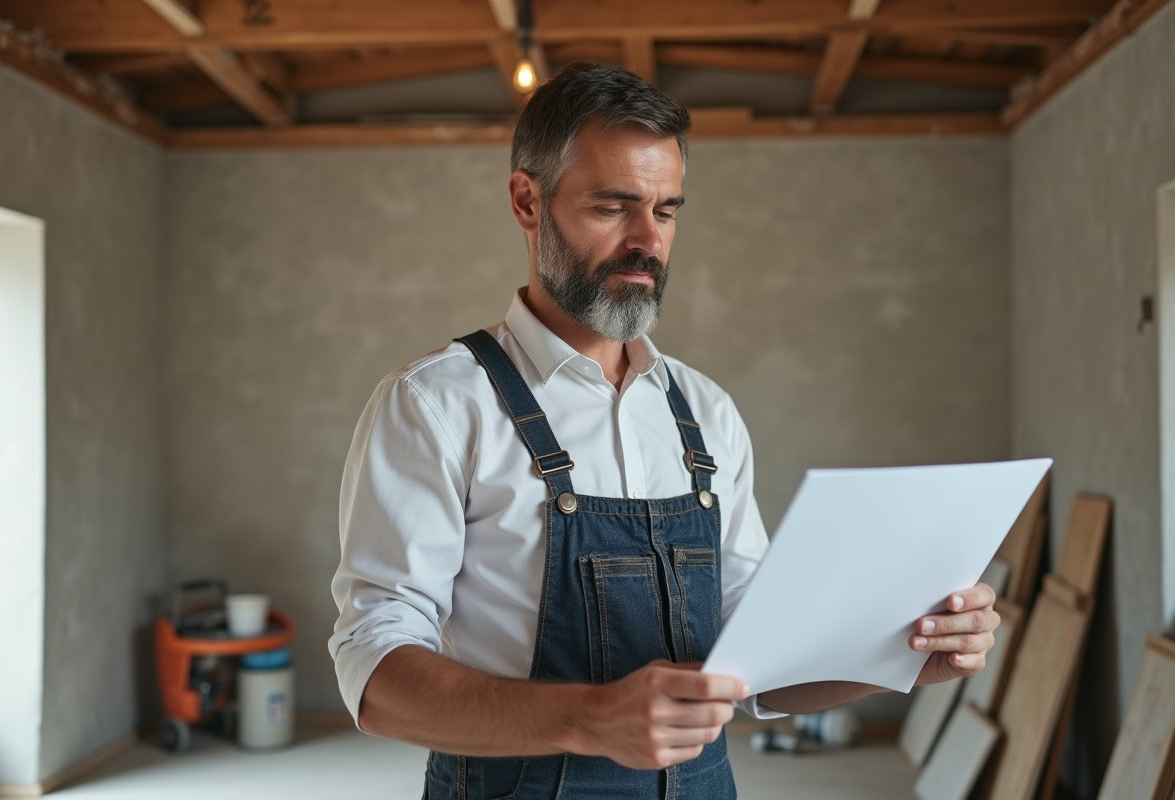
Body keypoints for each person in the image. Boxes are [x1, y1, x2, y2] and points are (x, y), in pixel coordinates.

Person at [330, 63, 1000, 799]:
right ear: (528, 200)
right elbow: (375, 668)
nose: (647, 240)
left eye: (667, 210)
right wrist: (586, 718)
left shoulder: (705, 412)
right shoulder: (434, 403)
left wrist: (900, 654)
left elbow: (751, 660)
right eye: (614, 207)